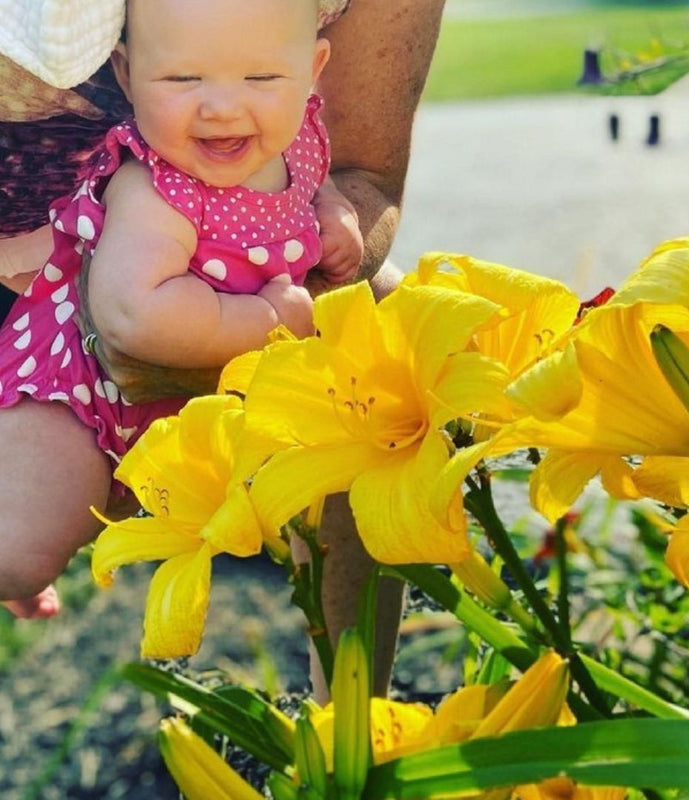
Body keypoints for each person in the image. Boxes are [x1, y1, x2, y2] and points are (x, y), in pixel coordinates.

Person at [0, 0, 446, 699]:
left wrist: (331, 220)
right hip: (85, 381)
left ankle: (350, 710)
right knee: (20, 551)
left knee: (378, 332)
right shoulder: (152, 187)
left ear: (312, 71)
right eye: (183, 80)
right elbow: (132, 320)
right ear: (128, 72)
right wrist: (269, 316)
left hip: (199, 375)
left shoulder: (293, 140)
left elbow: (327, 182)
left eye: (263, 77)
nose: (222, 108)